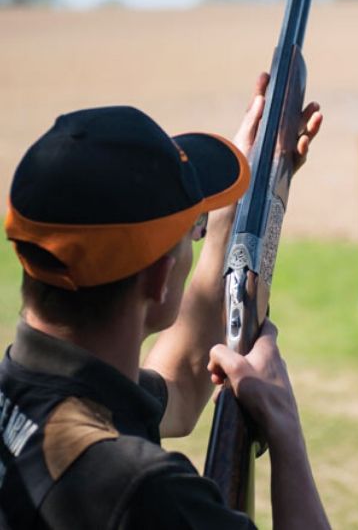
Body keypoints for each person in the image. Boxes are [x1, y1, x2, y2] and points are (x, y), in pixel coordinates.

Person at [0, 73, 329, 529]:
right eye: (193, 228)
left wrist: (246, 204)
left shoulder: (33, 397)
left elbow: (184, 379)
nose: (199, 232)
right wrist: (285, 426)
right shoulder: (144, 492)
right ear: (160, 278)